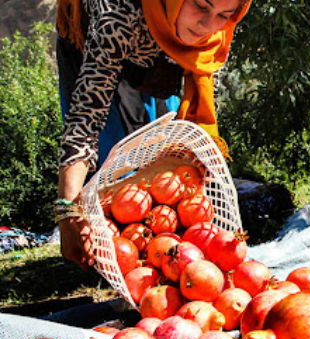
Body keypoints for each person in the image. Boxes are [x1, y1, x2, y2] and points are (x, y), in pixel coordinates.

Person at [53, 0, 252, 270]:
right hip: (95, 42)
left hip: (159, 52)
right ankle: (114, 248)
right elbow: (86, 119)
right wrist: (67, 212)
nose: (209, 25)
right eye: (200, 6)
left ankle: (163, 255)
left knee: (164, 153)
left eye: (224, 15)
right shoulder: (119, 14)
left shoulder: (215, 31)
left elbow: (201, 108)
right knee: (114, 157)